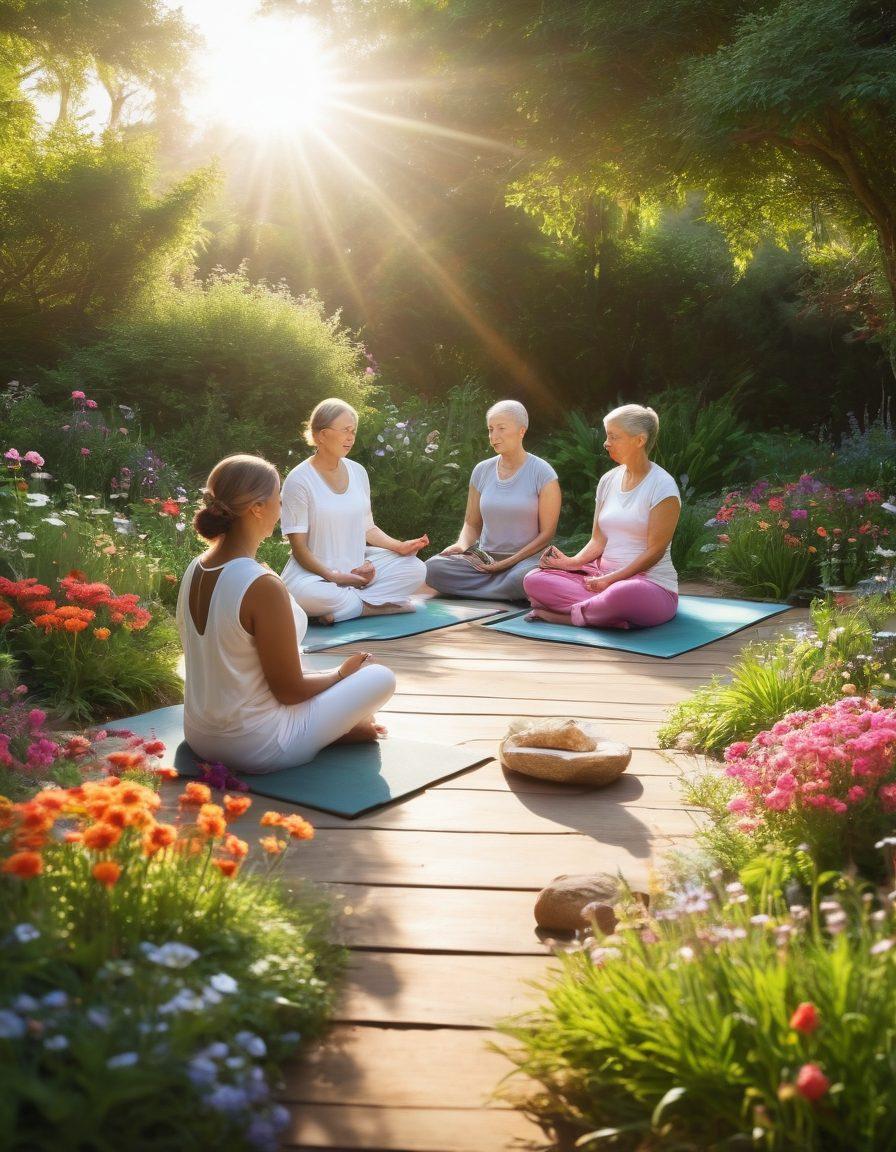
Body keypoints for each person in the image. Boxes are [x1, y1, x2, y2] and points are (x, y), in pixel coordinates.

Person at [176, 454, 396, 773]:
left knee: (315, 666)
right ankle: (336, 732)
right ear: (257, 507)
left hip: (199, 736)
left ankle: (335, 726)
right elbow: (290, 692)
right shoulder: (262, 585)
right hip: (254, 745)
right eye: (278, 499)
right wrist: (341, 676)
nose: (282, 508)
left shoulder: (195, 568)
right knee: (378, 676)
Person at [523, 404, 680, 628]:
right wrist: (570, 563)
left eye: (614, 437)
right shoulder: (608, 480)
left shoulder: (663, 486)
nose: (606, 443)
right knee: (533, 580)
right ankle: (606, 615)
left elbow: (655, 552)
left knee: (623, 593)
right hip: (600, 579)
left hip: (648, 585)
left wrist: (612, 579)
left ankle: (563, 616)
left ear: (639, 440)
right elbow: (598, 540)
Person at [280, 399, 428, 623]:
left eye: (353, 431)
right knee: (308, 596)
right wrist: (334, 576)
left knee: (415, 568)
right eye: (345, 431)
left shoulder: (358, 472)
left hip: (358, 570)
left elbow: (367, 528)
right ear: (321, 435)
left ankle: (344, 609)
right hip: (315, 577)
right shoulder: (299, 480)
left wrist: (400, 546)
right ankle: (378, 607)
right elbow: (299, 549)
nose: (351, 437)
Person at [424, 400, 561, 601]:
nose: (493, 436)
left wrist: (506, 564)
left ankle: (495, 588)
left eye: (501, 428)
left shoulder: (543, 473)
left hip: (524, 561)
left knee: (522, 579)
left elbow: (547, 534)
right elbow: (471, 523)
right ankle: (501, 592)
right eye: (490, 429)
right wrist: (462, 545)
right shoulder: (481, 470)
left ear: (521, 431)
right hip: (484, 560)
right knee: (432, 568)